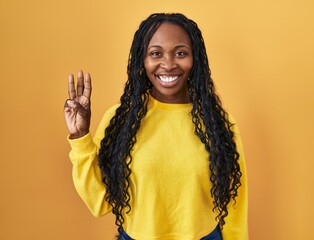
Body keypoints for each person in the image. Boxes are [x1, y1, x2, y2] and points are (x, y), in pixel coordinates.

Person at [64, 13, 248, 240]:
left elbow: (234, 203)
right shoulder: (121, 120)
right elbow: (99, 203)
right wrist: (80, 135)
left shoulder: (218, 124)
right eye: (156, 53)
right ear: (143, 60)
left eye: (180, 53)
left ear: (195, 60)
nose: (169, 64)